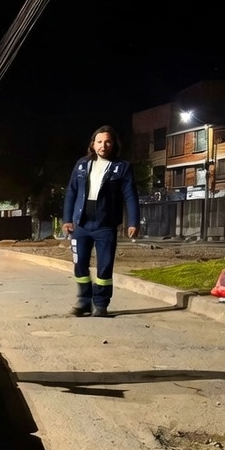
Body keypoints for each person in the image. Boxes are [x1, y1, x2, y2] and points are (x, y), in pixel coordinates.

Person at [60, 125, 140, 317]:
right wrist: (67, 219)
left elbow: (130, 196)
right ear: (93, 144)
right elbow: (71, 192)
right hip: (81, 225)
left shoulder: (122, 167)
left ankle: (101, 304)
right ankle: (84, 302)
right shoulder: (81, 164)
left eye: (108, 141)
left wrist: (133, 222)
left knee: (104, 266)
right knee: (80, 265)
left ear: (113, 145)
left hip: (105, 226)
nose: (103, 145)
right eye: (99, 141)